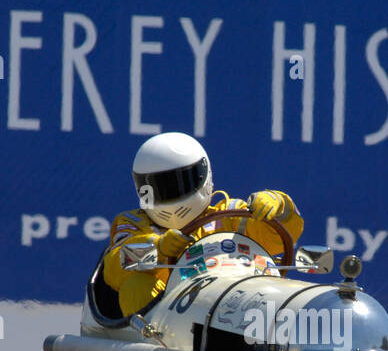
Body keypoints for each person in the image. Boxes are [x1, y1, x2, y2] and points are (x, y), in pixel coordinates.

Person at [102, 132, 303, 316]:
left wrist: (280, 205)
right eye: (160, 187)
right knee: (136, 285)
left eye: (180, 183)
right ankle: (153, 345)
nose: (172, 194)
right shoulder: (133, 222)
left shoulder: (230, 214)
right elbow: (113, 269)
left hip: (232, 308)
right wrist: (158, 248)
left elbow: (278, 239)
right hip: (166, 323)